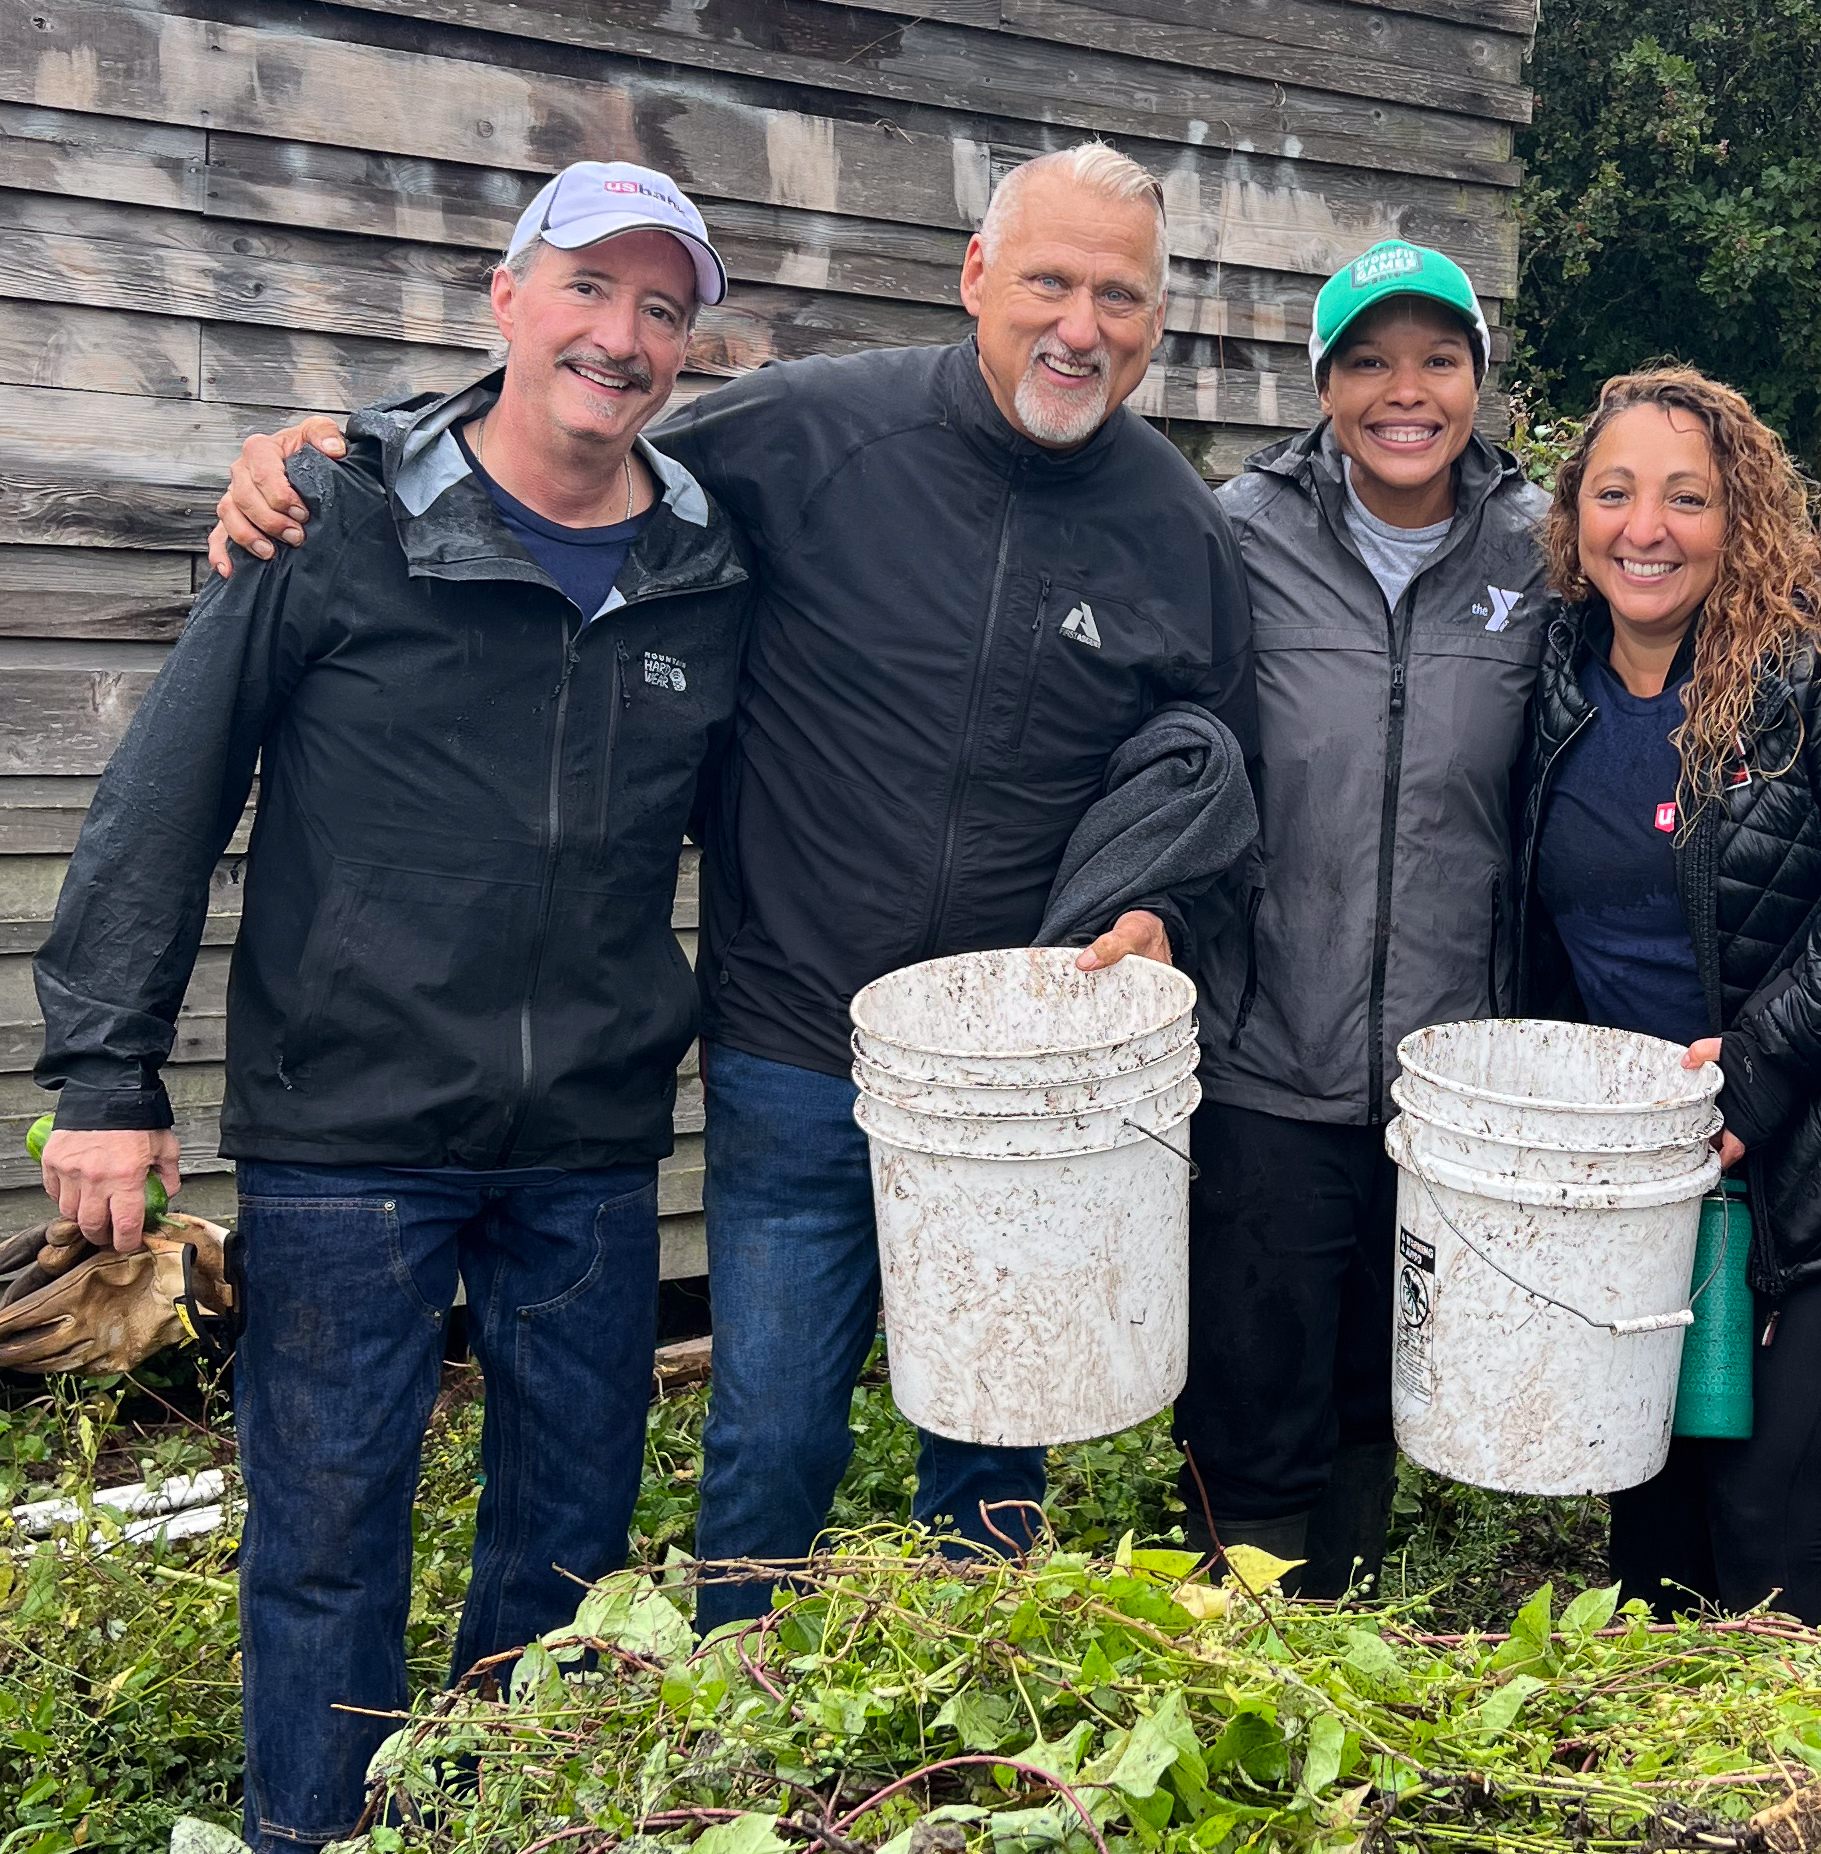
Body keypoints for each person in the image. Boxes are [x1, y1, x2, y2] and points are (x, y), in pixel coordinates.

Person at [206, 142, 1259, 1617]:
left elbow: (1214, 768)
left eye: (1121, 296)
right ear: (976, 277)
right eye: (1049, 281)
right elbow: (569, 435)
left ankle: (977, 1718)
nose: (1081, 325)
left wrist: (1169, 910)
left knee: (993, 1448)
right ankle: (734, 1718)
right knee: (772, 1434)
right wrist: (347, 450)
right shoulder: (809, 431)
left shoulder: (1178, 528)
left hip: (1026, 1083)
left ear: (1159, 321)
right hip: (794, 1047)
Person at [34, 165, 751, 1854]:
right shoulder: (335, 521)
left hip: (583, 1135)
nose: (623, 335)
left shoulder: (705, 564)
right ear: (503, 298)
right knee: (329, 1523)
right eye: (590, 287)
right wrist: (106, 1072)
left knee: (567, 1532)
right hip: (347, 1126)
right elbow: (167, 788)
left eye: (663, 309)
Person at [1513, 368, 1821, 1635]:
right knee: (1650, 1509)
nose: (1644, 528)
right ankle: (1683, 1810)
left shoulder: (1814, 663)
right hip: (1658, 1177)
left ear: (1745, 517)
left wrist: (1760, 1063)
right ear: (1574, 516)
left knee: (1763, 1509)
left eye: (1686, 497)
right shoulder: (1555, 673)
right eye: (1612, 494)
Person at [1178, 237, 1548, 1591]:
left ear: (1477, 379)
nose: (1409, 392)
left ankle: (1341, 1653)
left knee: (1374, 1392)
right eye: (1372, 362)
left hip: (1447, 1075)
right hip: (1270, 1052)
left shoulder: (1541, 544)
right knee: (1247, 1395)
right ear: (1324, 383)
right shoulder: (1240, 532)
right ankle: (1233, 1668)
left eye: (1438, 360)